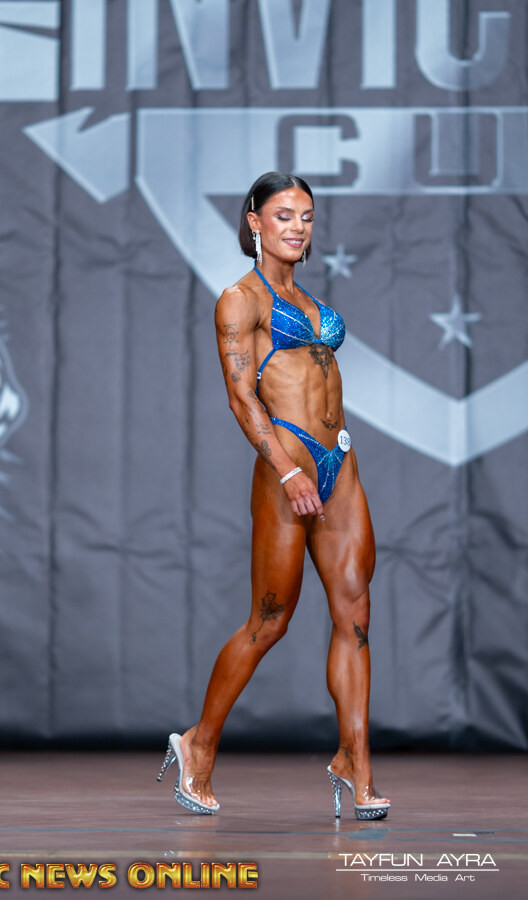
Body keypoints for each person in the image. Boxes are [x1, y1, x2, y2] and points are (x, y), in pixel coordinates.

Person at [157, 172, 390, 820]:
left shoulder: (310, 302)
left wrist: (322, 467)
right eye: (284, 215)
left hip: (339, 464)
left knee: (355, 616)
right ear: (254, 221)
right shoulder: (240, 299)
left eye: (306, 216)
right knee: (270, 620)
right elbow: (242, 397)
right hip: (284, 468)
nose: (297, 227)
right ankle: (199, 743)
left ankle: (355, 761)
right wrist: (288, 470)